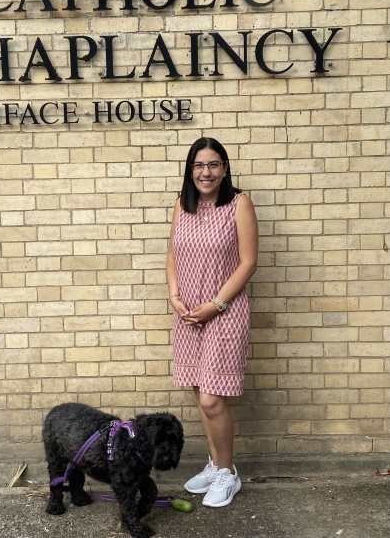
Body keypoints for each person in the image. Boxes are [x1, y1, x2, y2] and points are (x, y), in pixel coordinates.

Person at [166, 136, 258, 508]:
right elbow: (172, 254)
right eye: (199, 165)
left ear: (224, 168)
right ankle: (214, 463)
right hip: (187, 315)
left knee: (211, 398)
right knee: (199, 394)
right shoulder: (181, 205)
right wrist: (175, 297)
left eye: (214, 164)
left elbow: (248, 262)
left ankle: (227, 473)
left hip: (224, 312)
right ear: (191, 170)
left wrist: (216, 304)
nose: (206, 172)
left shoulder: (239, 203)